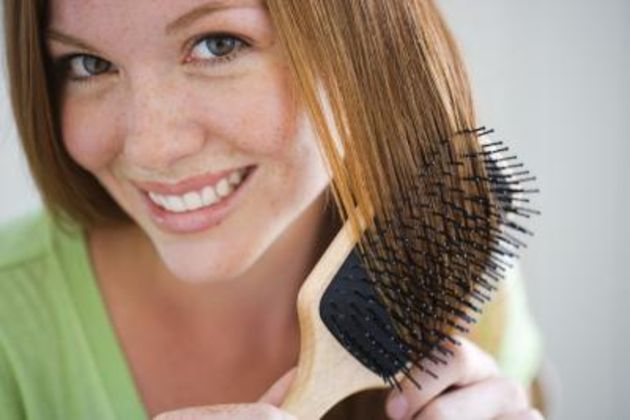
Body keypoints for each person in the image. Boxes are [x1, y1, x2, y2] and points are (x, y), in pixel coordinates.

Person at [0, 0, 545, 418]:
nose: (151, 148)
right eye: (90, 63)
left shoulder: (437, 273)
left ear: (363, 46)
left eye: (217, 45)